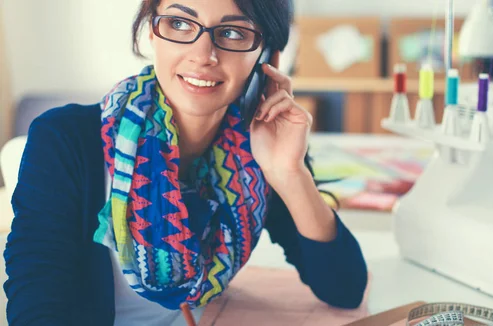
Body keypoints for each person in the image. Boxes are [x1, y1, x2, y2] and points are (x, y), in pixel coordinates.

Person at [3, 0, 368, 325]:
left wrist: (288, 173)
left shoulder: (256, 150)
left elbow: (344, 288)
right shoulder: (65, 138)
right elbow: (35, 306)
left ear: (267, 56)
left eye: (232, 32)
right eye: (180, 24)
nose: (202, 54)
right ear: (152, 31)